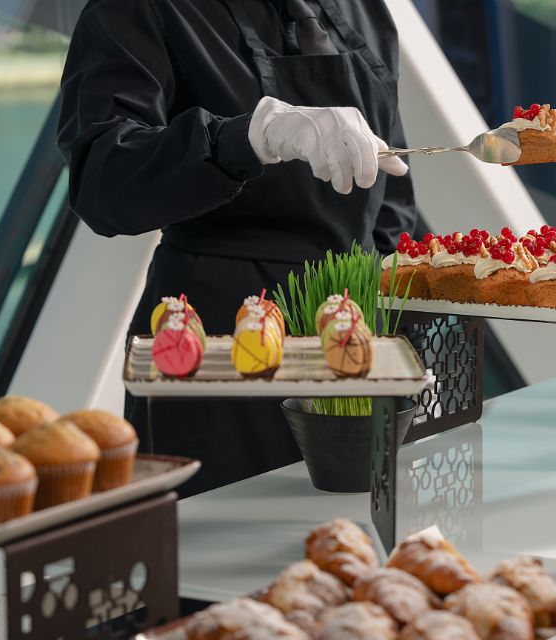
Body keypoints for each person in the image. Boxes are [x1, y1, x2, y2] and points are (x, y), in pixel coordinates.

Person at [57, 0, 417, 495]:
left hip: (353, 336)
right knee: (220, 553)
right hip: (212, 351)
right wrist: (246, 139)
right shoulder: (136, 8)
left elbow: (391, 190)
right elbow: (102, 181)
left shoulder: (365, 10)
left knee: (355, 551)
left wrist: (397, 320)